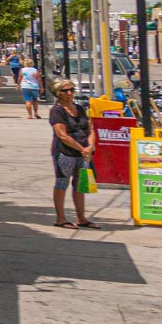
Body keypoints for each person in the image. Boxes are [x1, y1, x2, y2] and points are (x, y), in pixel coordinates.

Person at [48, 79, 99, 229]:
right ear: (58, 93)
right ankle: (61, 218)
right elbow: (62, 135)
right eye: (65, 91)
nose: (69, 93)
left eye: (71, 89)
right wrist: (81, 149)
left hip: (83, 153)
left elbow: (90, 128)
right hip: (66, 153)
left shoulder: (79, 108)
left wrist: (90, 146)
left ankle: (81, 218)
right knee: (62, 183)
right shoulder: (57, 111)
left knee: (80, 184)